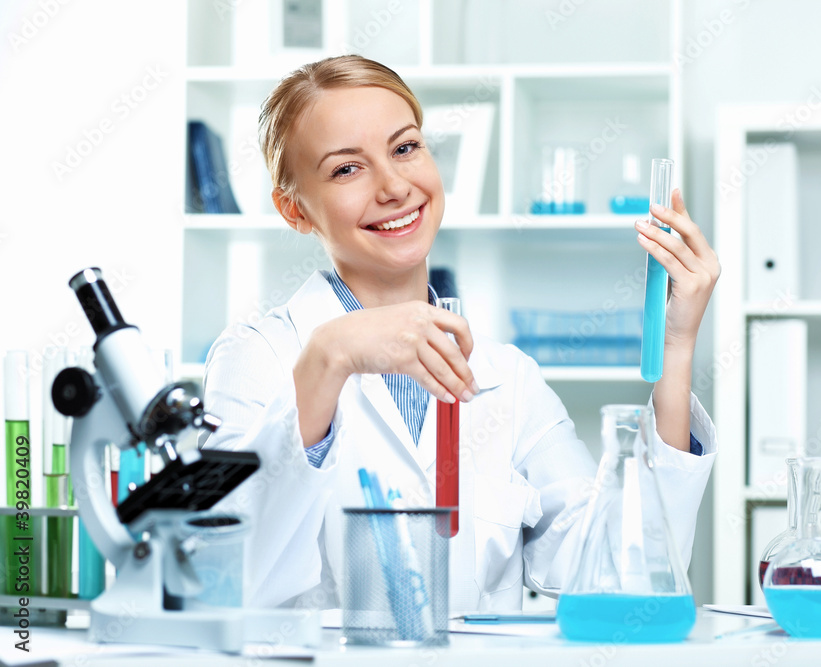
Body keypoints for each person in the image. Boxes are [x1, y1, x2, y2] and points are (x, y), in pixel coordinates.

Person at [201, 55, 721, 611]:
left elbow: (625, 571)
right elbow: (222, 576)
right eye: (347, 169)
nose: (395, 186)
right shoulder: (260, 358)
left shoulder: (508, 379)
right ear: (293, 209)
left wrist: (676, 347)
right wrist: (330, 355)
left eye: (405, 148)